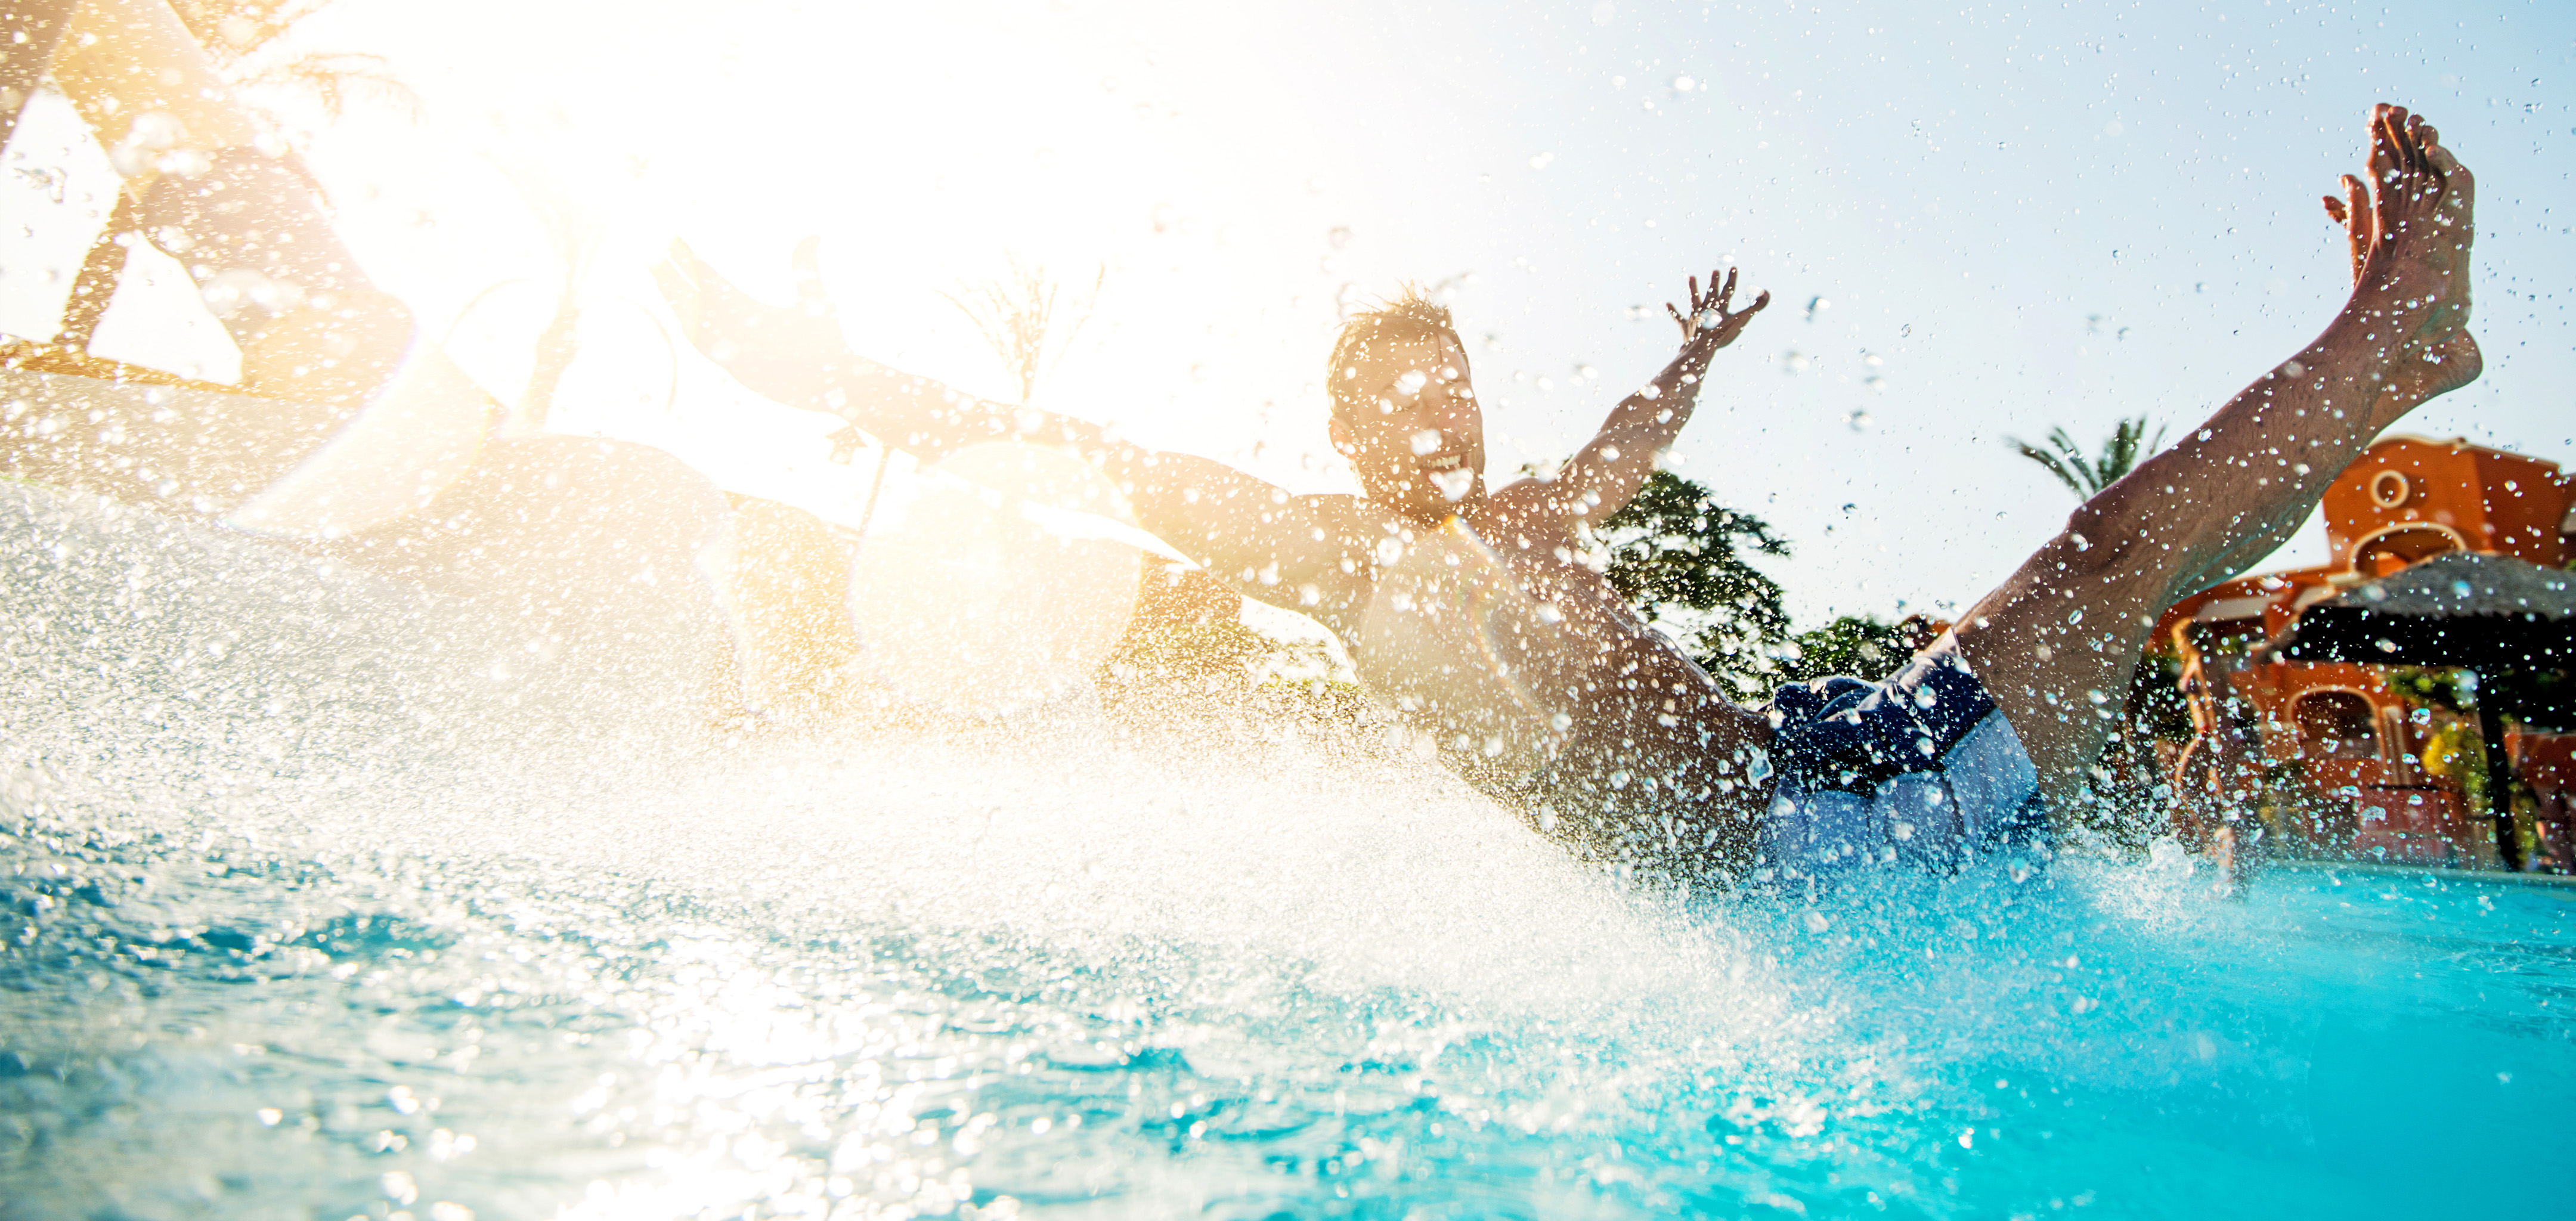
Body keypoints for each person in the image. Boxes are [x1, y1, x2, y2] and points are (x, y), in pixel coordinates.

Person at [656, 103, 2479, 890]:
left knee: (2092, 564)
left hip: (1820, 753)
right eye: (1392, 407)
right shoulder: (1332, 556)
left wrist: (1689, 365)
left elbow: (1619, 455)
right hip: (1823, 853)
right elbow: (1070, 453)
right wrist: (802, 369)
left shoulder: (1514, 521)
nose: (1432, 425)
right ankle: (2394, 342)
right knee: (2099, 556)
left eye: (1447, 392)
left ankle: (2388, 348)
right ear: (1345, 437)